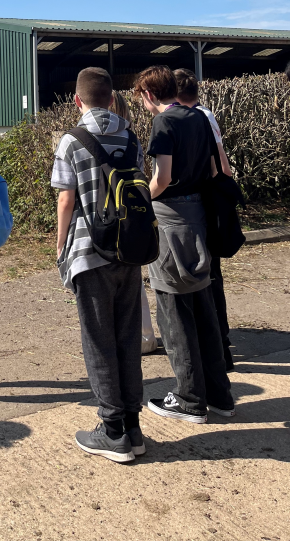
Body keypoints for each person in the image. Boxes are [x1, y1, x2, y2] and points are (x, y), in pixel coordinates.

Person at [52, 68, 145, 463]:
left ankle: (111, 430)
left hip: (90, 253)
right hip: (130, 249)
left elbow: (65, 201)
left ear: (77, 101)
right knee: (127, 338)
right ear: (111, 99)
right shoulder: (131, 135)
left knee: (98, 340)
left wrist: (60, 250)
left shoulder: (72, 140)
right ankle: (133, 427)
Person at [133, 66, 234, 424]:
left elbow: (163, 176)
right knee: (203, 304)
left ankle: (190, 399)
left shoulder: (164, 123)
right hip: (199, 217)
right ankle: (219, 392)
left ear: (148, 94)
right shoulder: (199, 118)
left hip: (170, 218)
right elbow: (212, 169)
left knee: (173, 310)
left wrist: (140, 197)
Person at [174, 68, 235, 371]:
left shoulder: (194, 118)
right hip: (213, 200)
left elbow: (217, 163)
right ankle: (220, 344)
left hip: (202, 204)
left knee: (207, 276)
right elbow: (224, 165)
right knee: (211, 274)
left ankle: (219, 347)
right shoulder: (205, 115)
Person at [110, 91, 157, 357]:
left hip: (110, 216)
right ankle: (145, 337)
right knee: (134, 280)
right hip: (134, 215)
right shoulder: (132, 139)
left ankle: (127, 339)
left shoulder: (93, 137)